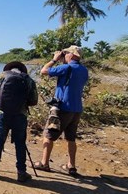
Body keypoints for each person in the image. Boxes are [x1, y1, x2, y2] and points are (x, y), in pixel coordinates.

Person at [35, 45, 88, 176]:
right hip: (77, 109)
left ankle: (44, 163)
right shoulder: (84, 70)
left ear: (71, 55)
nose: (64, 57)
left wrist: (54, 60)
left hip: (63, 108)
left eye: (66, 54)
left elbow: (44, 71)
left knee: (48, 135)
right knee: (71, 138)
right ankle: (71, 166)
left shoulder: (67, 68)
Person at [0, 61, 38, 182]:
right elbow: (34, 101)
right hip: (20, 115)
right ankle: (21, 172)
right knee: (20, 143)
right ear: (22, 70)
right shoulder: (29, 79)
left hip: (2, 113)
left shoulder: (3, 76)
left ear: (9, 69)